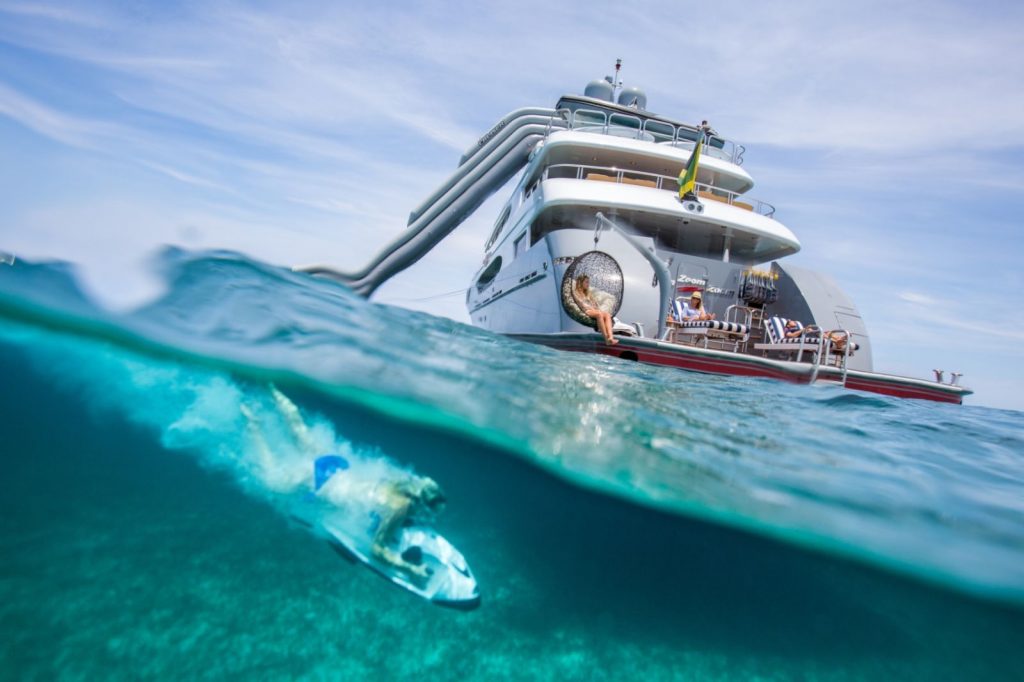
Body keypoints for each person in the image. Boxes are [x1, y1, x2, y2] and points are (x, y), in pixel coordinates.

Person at [243, 385, 446, 581]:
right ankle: (254, 424)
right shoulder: (401, 507)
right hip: (321, 483)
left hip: (334, 467)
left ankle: (271, 388)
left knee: (299, 430)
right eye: (429, 513)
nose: (426, 517)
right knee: (270, 480)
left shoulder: (405, 482)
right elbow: (377, 550)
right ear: (421, 505)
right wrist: (411, 568)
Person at [573, 274, 618, 345]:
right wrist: (592, 308)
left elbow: (594, 303)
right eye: (586, 282)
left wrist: (595, 305)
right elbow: (580, 303)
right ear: (581, 282)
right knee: (599, 314)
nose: (588, 284)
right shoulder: (576, 293)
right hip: (586, 310)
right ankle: (606, 339)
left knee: (607, 315)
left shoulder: (587, 293)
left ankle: (611, 337)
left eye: (588, 282)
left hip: (593, 309)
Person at [783, 319, 850, 352]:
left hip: (809, 333)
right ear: (788, 324)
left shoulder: (796, 328)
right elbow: (791, 336)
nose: (794, 322)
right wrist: (803, 329)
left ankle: (838, 339)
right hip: (807, 336)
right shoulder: (787, 329)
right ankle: (837, 341)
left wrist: (805, 329)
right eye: (792, 321)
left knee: (828, 332)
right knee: (819, 333)